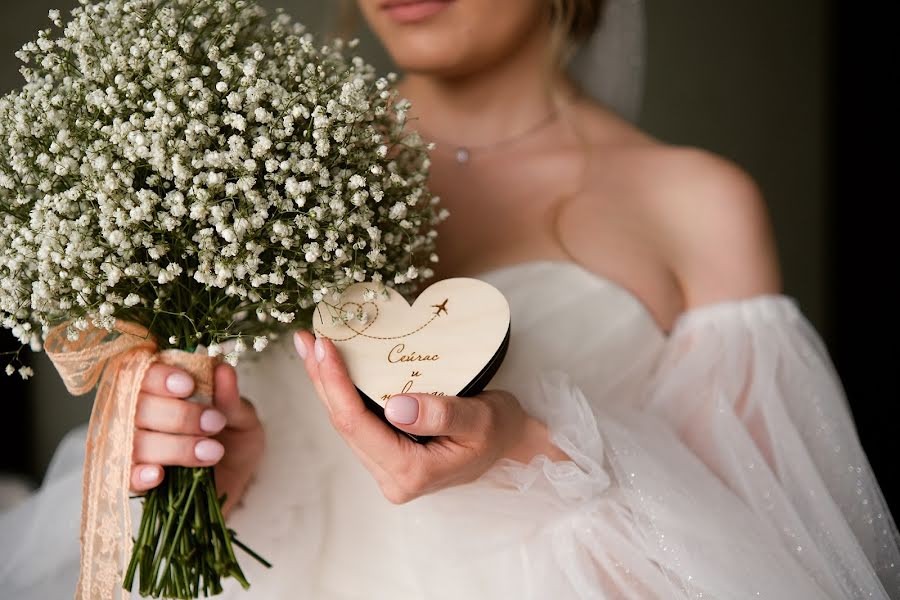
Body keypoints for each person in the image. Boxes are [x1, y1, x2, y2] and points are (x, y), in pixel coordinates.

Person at [2, 0, 898, 598]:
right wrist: (196, 473)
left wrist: (523, 448)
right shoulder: (243, 159)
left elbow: (743, 555)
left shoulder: (695, 204)